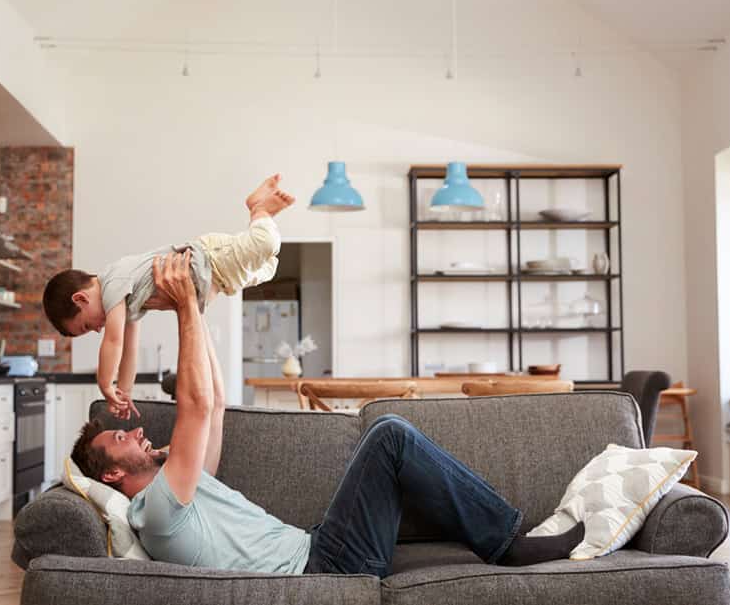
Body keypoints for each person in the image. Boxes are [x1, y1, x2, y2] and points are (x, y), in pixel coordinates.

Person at [70, 251, 586, 577]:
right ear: (113, 475)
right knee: (389, 435)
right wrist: (181, 307)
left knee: (391, 438)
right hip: (330, 567)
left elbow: (216, 404)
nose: (137, 429)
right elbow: (197, 405)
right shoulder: (160, 510)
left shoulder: (184, 489)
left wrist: (197, 307)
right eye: (120, 439)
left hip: (324, 546)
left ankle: (499, 538)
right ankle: (506, 545)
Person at [43, 174, 294, 419]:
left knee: (265, 244)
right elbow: (129, 350)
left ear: (81, 299)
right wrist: (125, 392)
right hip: (216, 279)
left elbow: (114, 343)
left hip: (209, 259)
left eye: (87, 325)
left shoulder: (113, 284)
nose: (98, 329)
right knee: (265, 269)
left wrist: (105, 384)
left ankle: (257, 209)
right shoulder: (127, 302)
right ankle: (262, 231)